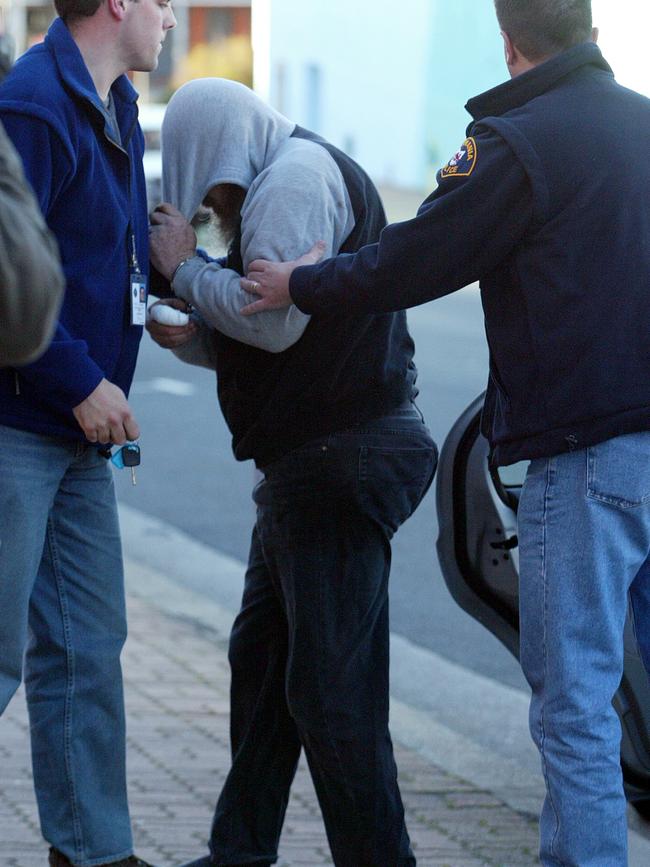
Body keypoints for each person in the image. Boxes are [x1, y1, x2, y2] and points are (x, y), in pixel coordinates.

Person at [240, 2, 650, 865]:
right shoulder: (641, 125)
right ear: (591, 27)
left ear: (509, 41)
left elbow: (413, 258)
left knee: (576, 706)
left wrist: (304, 281)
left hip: (586, 465)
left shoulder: (516, 141)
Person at [146, 77, 437, 867]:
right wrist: (198, 335)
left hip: (336, 457)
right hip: (316, 464)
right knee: (266, 664)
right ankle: (239, 850)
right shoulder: (283, 179)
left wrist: (184, 273)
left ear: (219, 152)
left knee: (329, 693)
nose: (212, 206)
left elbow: (270, 324)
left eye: (208, 188)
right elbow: (279, 329)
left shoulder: (292, 182)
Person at [0, 0, 175, 863]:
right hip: (21, 423)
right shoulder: (34, 103)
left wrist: (164, 303)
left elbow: (95, 258)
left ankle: (94, 851)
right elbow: (5, 278)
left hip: (78, 432)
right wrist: (78, 382)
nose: (173, 18)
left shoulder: (116, 102)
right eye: (163, 2)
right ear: (117, 3)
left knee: (87, 651)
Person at [0, 119, 65, 366]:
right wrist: (83, 384)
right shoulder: (33, 102)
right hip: (50, 386)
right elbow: (20, 318)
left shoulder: (121, 106)